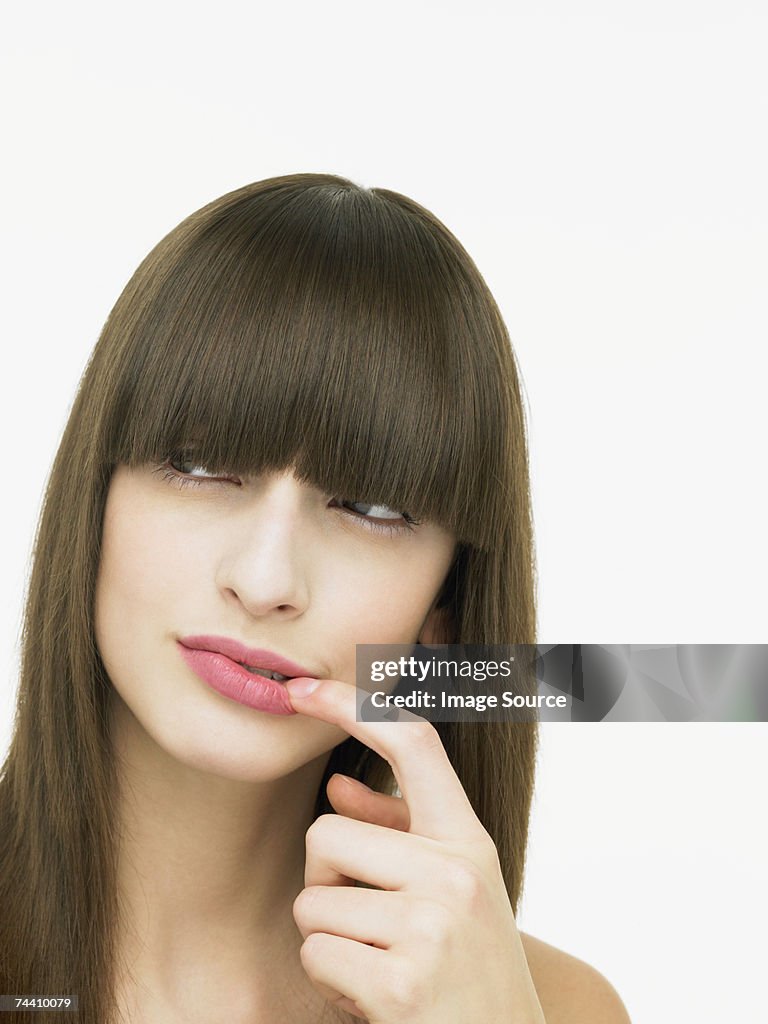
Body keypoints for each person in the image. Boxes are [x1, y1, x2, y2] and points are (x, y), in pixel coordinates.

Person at [0, 173, 630, 1023]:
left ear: (442, 621)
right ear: (95, 503)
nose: (264, 584)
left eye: (371, 510)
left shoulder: (550, 1008)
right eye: (197, 465)